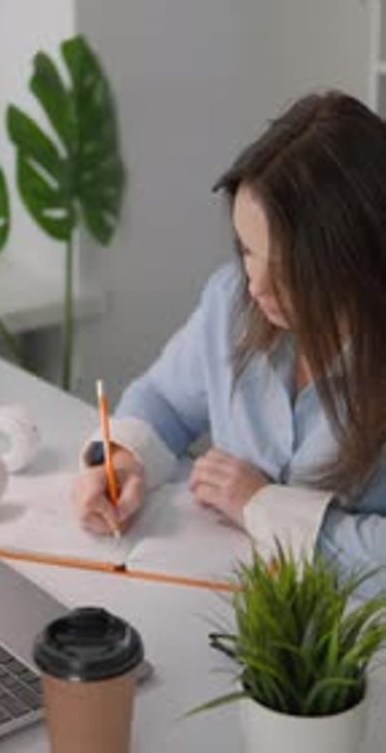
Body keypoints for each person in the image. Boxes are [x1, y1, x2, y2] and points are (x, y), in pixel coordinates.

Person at [73, 90, 386, 595]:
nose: (256, 285)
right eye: (247, 249)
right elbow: (164, 401)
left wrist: (262, 506)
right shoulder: (231, 301)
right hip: (217, 598)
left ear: (361, 257)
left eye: (288, 269)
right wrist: (124, 461)